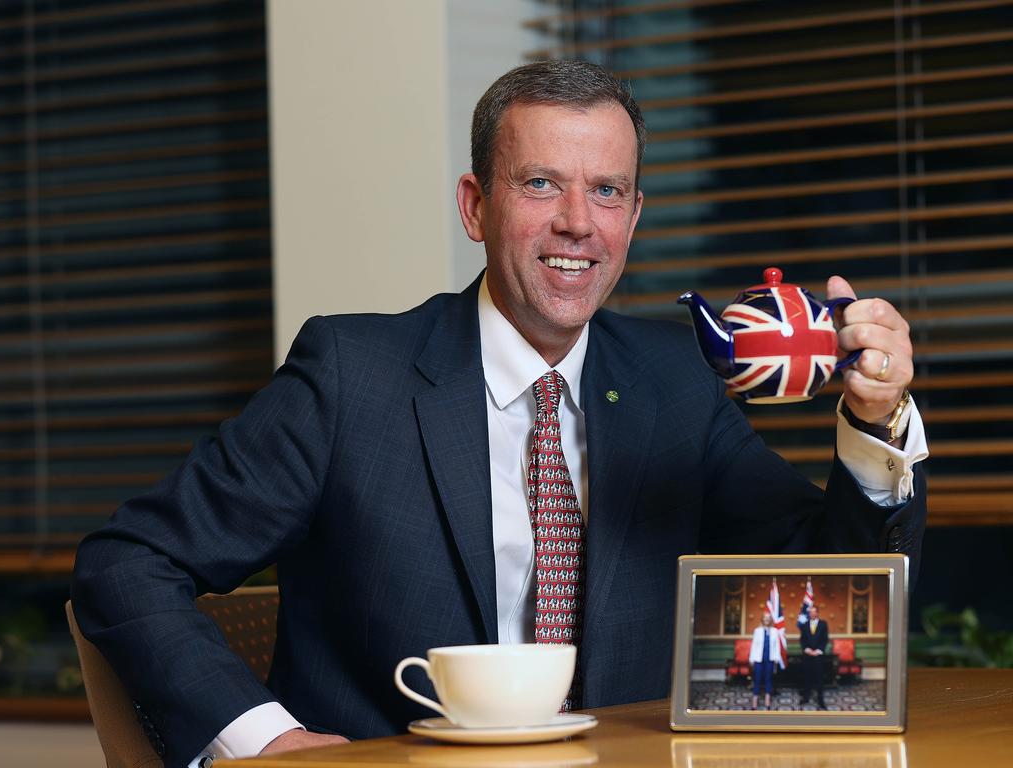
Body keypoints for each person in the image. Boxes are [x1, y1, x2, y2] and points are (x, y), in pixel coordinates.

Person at [71, 60, 928, 768]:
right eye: (541, 183)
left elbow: (836, 598)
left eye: (606, 192)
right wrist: (268, 744)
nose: (576, 224)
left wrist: (875, 423)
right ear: (476, 205)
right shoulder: (351, 376)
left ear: (633, 216)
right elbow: (127, 563)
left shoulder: (675, 378)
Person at [749, 612, 781, 710]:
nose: (767, 619)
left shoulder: (775, 631)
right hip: (758, 659)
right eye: (765, 617)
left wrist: (777, 658)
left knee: (768, 679)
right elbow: (753, 646)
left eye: (768, 618)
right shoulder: (757, 631)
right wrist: (751, 658)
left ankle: (767, 701)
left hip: (770, 659)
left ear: (770, 620)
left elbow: (777, 646)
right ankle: (755, 701)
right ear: (762, 619)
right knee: (757, 679)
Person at [800, 604, 830, 709]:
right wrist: (807, 650)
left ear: (817, 612)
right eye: (810, 612)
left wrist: (818, 651)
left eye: (814, 611)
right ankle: (806, 697)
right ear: (809, 613)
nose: (812, 613)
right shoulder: (804, 625)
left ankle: (820, 699)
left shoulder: (823, 624)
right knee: (806, 677)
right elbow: (802, 640)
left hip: (818, 656)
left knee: (819, 678)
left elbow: (825, 639)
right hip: (807, 655)